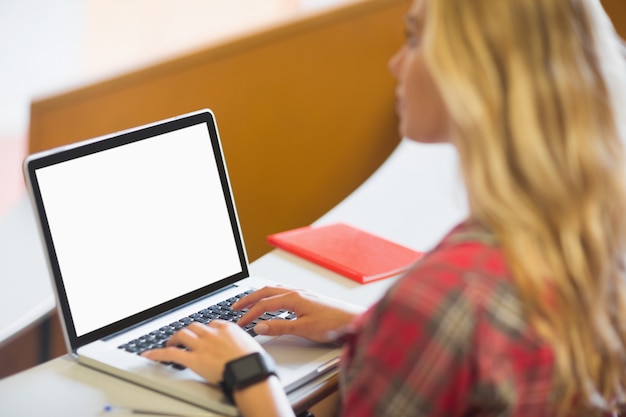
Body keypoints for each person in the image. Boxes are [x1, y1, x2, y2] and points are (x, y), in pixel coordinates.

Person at [142, 0, 626, 415]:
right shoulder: (589, 237)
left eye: (414, 39)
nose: (396, 63)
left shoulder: (439, 300)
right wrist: (367, 327)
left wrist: (250, 376)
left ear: (476, 71)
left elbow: (453, 318)